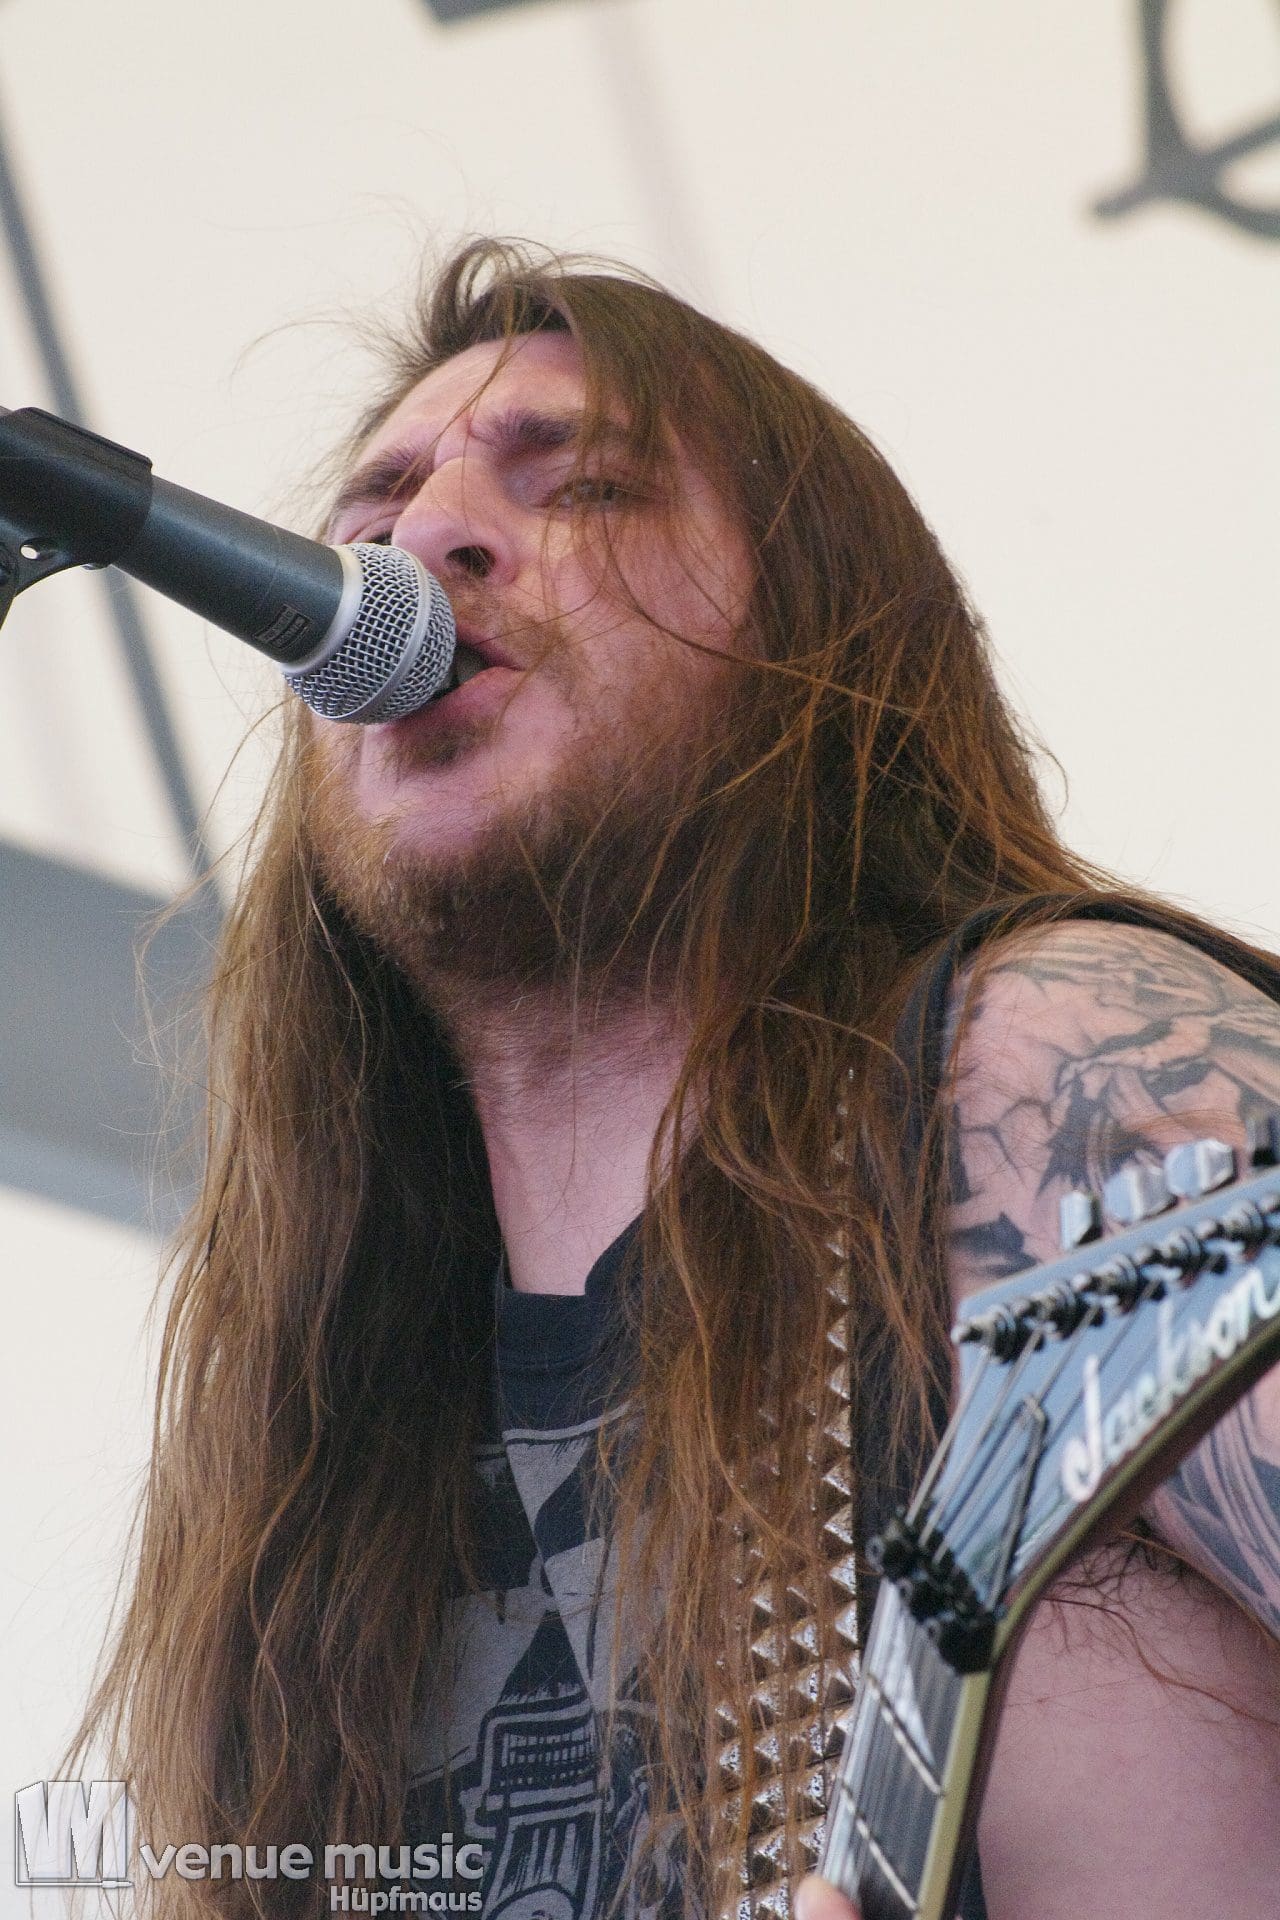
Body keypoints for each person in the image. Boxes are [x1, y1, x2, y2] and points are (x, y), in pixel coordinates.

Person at [76, 241, 1280, 1920]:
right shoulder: (322, 1445)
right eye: (376, 513)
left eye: (584, 486)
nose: (425, 540)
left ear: (817, 639)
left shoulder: (1036, 1071)